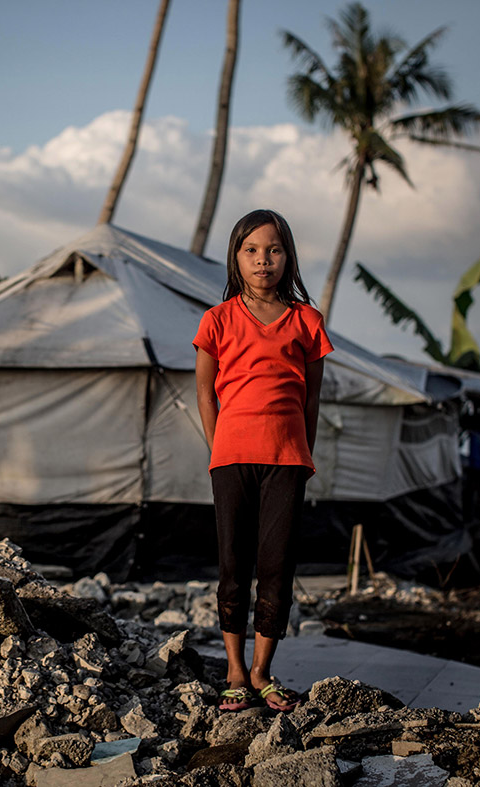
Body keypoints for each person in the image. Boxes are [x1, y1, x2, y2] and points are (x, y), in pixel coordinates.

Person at [193, 209, 333, 712]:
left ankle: (262, 672)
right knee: (234, 564)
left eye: (274, 249)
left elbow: (311, 400)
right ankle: (234, 670)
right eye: (251, 250)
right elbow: (206, 394)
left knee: (276, 566)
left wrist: (303, 453)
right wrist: (219, 448)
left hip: (287, 459)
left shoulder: (306, 321)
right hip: (231, 458)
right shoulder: (218, 319)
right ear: (235, 257)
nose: (263, 260)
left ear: (288, 256)